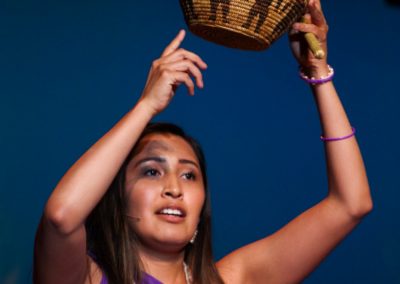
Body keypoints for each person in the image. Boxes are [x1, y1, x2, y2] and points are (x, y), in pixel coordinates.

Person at [33, 0, 372, 283]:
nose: (174, 188)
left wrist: (318, 73)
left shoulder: (233, 277)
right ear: (117, 197)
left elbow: (350, 204)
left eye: (189, 175)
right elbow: (62, 216)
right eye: (151, 171)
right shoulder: (86, 276)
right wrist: (146, 106)